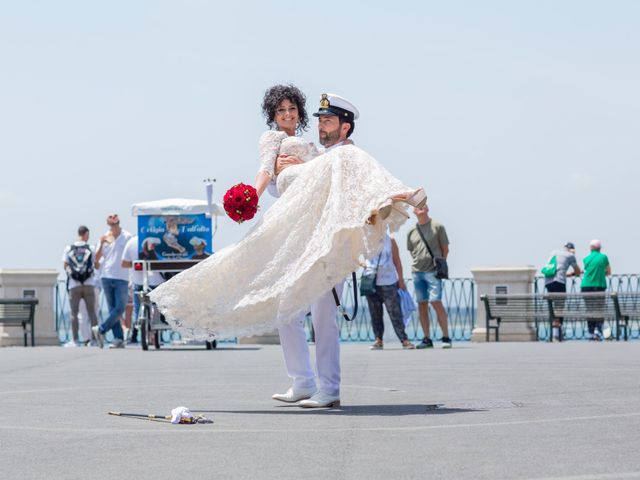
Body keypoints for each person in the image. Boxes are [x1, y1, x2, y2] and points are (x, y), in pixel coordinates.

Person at [149, 88, 425, 407]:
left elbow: (336, 184)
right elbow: (266, 172)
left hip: (320, 235)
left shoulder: (326, 153)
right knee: (286, 313)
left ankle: (330, 388)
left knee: (323, 314)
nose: (288, 115)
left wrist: (304, 167)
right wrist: (250, 196)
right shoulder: (276, 141)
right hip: (296, 229)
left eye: (292, 109)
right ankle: (303, 381)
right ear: (273, 114)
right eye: (281, 110)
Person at [407, 203, 451, 349]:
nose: (420, 208)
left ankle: (446, 336)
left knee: (436, 301)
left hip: (433, 272)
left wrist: (440, 264)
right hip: (417, 272)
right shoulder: (411, 231)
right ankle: (427, 338)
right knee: (422, 304)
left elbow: (445, 249)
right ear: (413, 211)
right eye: (417, 206)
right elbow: (411, 251)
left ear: (427, 208)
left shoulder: (437, 226)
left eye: (423, 205)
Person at [364, 232, 414, 350]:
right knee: (375, 313)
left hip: (389, 281)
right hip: (371, 280)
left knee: (395, 312)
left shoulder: (390, 240)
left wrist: (400, 279)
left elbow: (397, 260)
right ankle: (378, 340)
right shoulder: (364, 239)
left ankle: (404, 339)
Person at [92, 214, 132, 348]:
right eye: (111, 225)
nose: (113, 227)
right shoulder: (104, 237)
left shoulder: (127, 237)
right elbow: (96, 260)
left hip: (122, 277)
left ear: (118, 224)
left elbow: (131, 253)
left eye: (115, 224)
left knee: (120, 307)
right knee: (112, 309)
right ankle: (118, 338)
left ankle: (101, 329)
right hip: (106, 275)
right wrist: (102, 243)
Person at [121, 235, 165, 344]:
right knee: (157, 308)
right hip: (157, 281)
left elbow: (124, 263)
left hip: (139, 281)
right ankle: (156, 336)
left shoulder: (131, 242)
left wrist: (136, 264)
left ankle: (135, 335)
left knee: (138, 309)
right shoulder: (160, 241)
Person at [62, 225, 99, 346]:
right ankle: (94, 340)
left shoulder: (69, 248)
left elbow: (65, 265)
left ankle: (75, 340)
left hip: (74, 285)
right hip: (89, 283)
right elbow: (96, 264)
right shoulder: (91, 247)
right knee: (92, 312)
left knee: (74, 313)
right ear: (86, 234)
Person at [543, 242, 581, 340]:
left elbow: (556, 267)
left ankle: (553, 332)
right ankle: (557, 334)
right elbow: (578, 272)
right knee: (559, 307)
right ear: (572, 249)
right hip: (559, 282)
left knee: (552, 308)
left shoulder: (554, 252)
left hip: (548, 282)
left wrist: (566, 274)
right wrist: (573, 274)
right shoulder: (570, 255)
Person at [581, 239, 611, 340]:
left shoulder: (586, 258)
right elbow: (608, 271)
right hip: (599, 285)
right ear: (600, 248)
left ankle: (590, 331)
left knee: (589, 309)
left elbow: (586, 268)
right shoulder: (603, 257)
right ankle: (597, 331)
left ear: (590, 248)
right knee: (599, 309)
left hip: (586, 286)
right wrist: (602, 273)